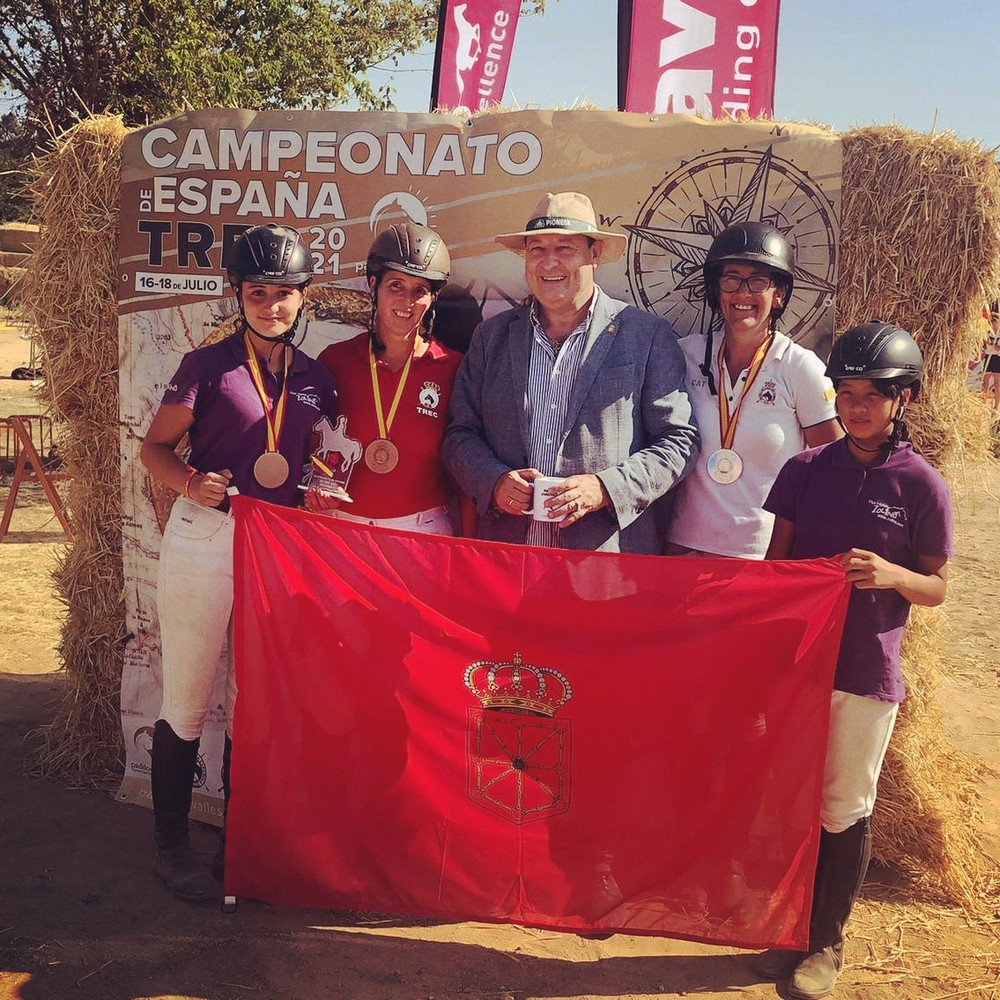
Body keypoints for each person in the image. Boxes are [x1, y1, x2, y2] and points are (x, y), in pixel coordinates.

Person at [139, 223, 338, 901]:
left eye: (284, 293)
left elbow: (320, 453)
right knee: (189, 699)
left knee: (252, 705)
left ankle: (238, 846)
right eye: (258, 292)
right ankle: (170, 848)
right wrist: (190, 483)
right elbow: (155, 450)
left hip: (278, 547)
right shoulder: (207, 367)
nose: (271, 305)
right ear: (238, 295)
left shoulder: (317, 378)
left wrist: (321, 484)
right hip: (206, 538)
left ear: (303, 297)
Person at [758, 322, 952, 999]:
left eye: (875, 394)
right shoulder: (805, 471)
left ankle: (825, 945)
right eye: (847, 393)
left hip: (865, 671)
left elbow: (936, 588)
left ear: (905, 400)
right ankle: (782, 928)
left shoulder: (923, 486)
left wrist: (893, 574)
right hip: (797, 665)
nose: (858, 407)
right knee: (786, 798)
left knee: (844, 806)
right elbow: (773, 567)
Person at [442, 191, 699, 553]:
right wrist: (494, 481)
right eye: (537, 250)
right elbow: (460, 434)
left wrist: (606, 489)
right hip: (508, 561)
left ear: (594, 254)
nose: (549, 263)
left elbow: (680, 442)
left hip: (603, 568)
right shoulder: (492, 337)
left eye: (564, 248)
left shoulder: (646, 336)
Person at [665, 221, 841, 558]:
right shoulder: (684, 355)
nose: (743, 293)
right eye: (731, 279)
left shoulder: (799, 367)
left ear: (779, 295)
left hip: (759, 556)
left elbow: (834, 465)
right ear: (716, 290)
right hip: (683, 549)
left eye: (758, 281)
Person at [304, 222, 468, 535]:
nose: (406, 301)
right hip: (345, 530)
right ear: (373, 284)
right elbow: (313, 444)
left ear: (433, 298)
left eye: (419, 290)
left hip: (423, 532)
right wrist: (317, 485)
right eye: (395, 285)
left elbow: (465, 466)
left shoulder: (452, 367)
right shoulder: (335, 360)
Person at [982, 304, 1000, 411]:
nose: (993, 324)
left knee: (998, 383)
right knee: (985, 381)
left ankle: (996, 406)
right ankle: (984, 404)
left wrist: (993, 343)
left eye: (994, 321)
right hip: (989, 356)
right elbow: (984, 345)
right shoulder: (988, 332)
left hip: (997, 358)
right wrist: (985, 342)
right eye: (991, 322)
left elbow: (997, 347)